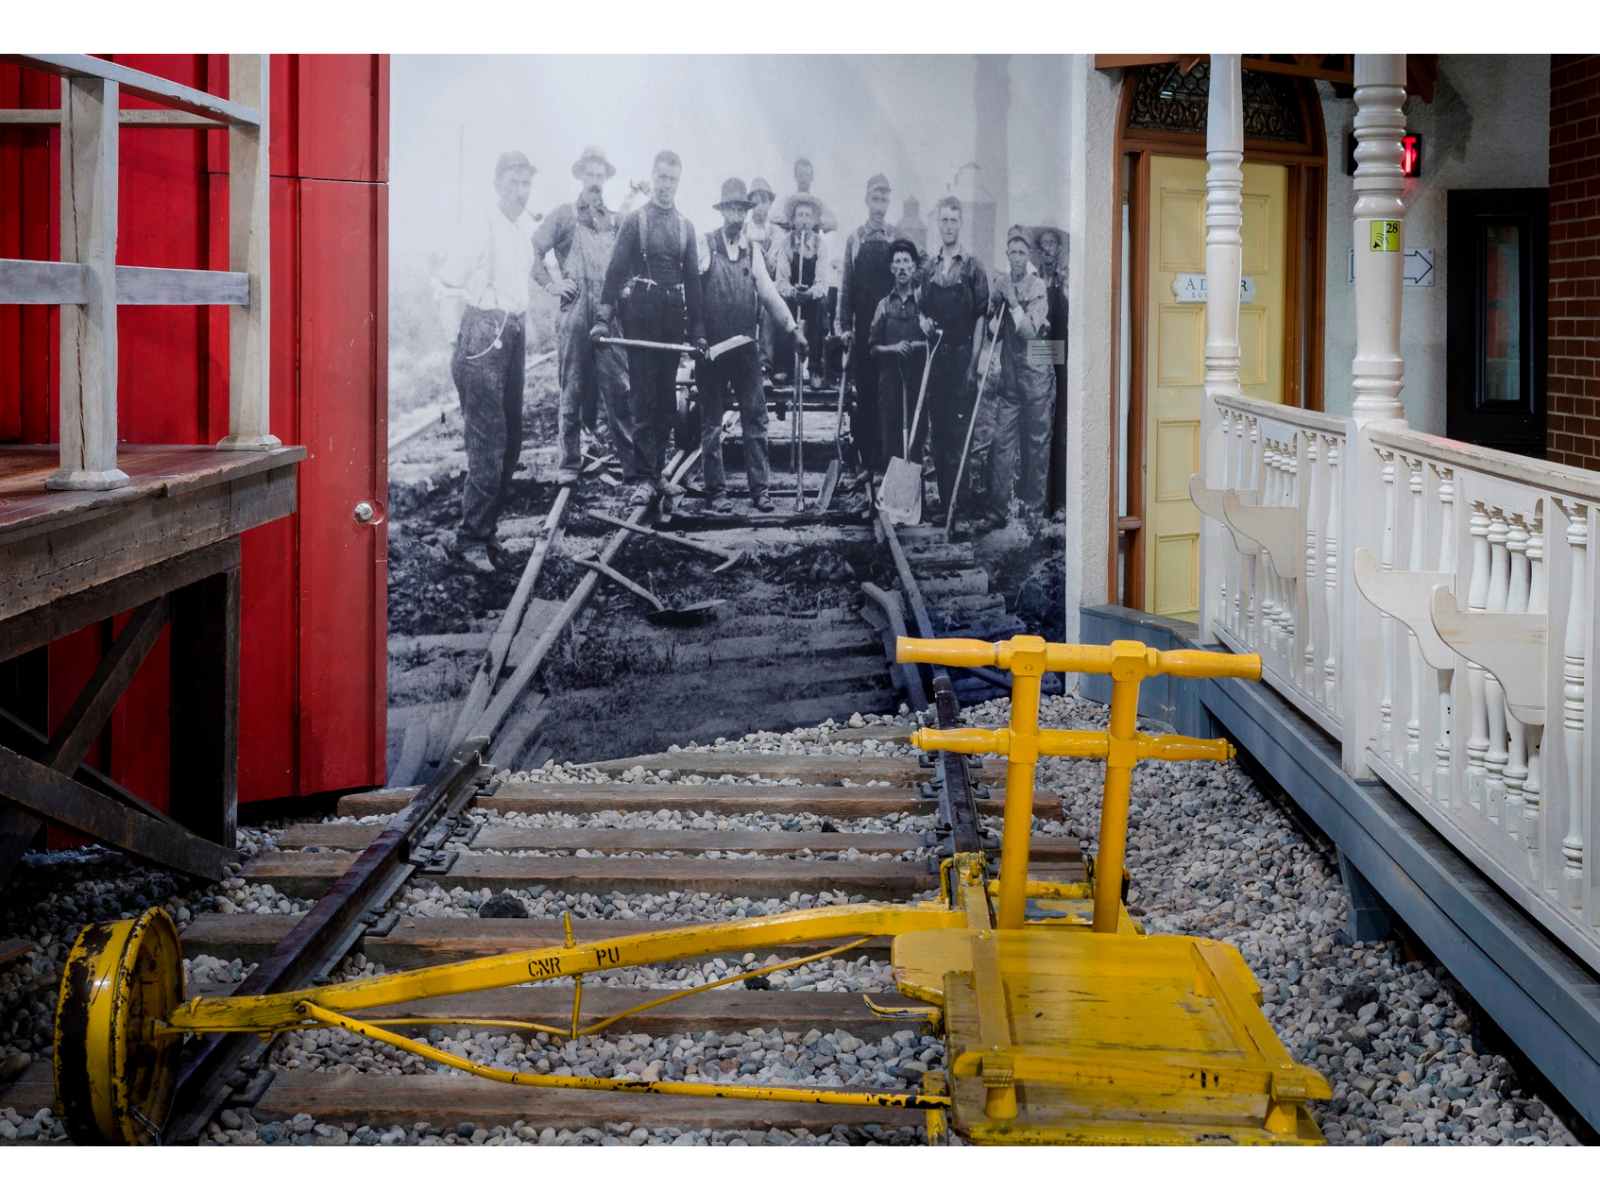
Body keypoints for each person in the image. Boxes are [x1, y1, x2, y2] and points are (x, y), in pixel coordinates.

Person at [435, 150, 538, 575]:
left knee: (511, 441)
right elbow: (446, 285)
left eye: (526, 183)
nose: (520, 190)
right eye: (513, 182)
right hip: (481, 334)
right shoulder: (480, 224)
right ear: (498, 184)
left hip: (513, 332)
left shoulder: (521, 233)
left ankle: (487, 530)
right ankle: (469, 540)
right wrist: (458, 340)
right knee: (488, 444)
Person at [594, 150, 706, 510]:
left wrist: (699, 332)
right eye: (661, 178)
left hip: (672, 317)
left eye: (672, 180)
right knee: (642, 396)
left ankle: (656, 472)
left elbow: (692, 281)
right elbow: (614, 272)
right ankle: (644, 478)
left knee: (666, 401)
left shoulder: (685, 227)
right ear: (652, 177)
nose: (665, 186)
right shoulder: (635, 222)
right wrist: (602, 317)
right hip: (641, 314)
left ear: (678, 181)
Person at [698, 178, 807, 514]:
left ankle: (760, 490)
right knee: (712, 422)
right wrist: (697, 335)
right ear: (722, 211)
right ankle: (716, 492)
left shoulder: (753, 251)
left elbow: (770, 295)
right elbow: (691, 294)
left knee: (756, 418)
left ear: (746, 213)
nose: (736, 216)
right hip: (712, 349)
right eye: (730, 209)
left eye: (741, 210)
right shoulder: (706, 246)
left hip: (745, 347)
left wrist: (792, 329)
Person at [532, 145, 631, 487]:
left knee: (619, 388)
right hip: (574, 312)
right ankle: (569, 463)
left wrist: (626, 287)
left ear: (606, 179)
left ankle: (631, 464)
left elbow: (626, 262)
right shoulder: (564, 215)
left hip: (607, 312)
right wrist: (552, 284)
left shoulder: (613, 220)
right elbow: (533, 250)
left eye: (600, 175)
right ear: (579, 176)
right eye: (589, 174)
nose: (595, 181)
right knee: (572, 388)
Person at [917, 196, 988, 522]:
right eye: (943, 220)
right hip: (936, 362)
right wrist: (924, 323)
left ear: (961, 225)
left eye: (953, 221)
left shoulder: (972, 267)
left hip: (962, 360)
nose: (948, 226)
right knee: (939, 435)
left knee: (960, 435)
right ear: (938, 224)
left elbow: (980, 319)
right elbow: (922, 311)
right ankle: (945, 506)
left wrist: (974, 364)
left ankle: (957, 511)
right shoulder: (929, 268)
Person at [979, 226, 1055, 530]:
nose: (1018, 258)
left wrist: (1010, 300)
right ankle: (998, 509)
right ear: (1007, 254)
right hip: (1010, 376)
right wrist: (994, 306)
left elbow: (1027, 332)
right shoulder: (1003, 283)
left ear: (1029, 256)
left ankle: (1033, 510)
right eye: (1013, 252)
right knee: (1001, 440)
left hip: (1037, 374)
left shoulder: (1038, 287)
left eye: (1023, 252)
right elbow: (990, 334)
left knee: (1036, 442)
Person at [837, 174, 900, 476]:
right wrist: (845, 326)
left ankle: (884, 461)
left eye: (884, 199)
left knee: (887, 395)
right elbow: (846, 285)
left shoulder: (895, 238)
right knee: (864, 393)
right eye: (875, 199)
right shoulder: (856, 238)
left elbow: (913, 271)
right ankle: (864, 457)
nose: (880, 205)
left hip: (890, 330)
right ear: (866, 201)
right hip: (863, 328)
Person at [867, 239, 934, 469]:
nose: (902, 267)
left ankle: (915, 500)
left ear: (914, 267)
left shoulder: (923, 305)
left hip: (917, 382)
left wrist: (918, 345)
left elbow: (933, 341)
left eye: (907, 261)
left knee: (917, 438)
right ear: (892, 269)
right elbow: (873, 347)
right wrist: (894, 348)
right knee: (891, 441)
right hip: (891, 383)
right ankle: (891, 500)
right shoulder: (884, 306)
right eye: (898, 262)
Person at [771, 194, 834, 387]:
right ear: (793, 220)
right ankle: (784, 368)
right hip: (791, 297)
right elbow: (781, 280)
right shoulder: (785, 243)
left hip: (811, 299)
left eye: (808, 216)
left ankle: (815, 369)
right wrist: (792, 292)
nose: (804, 221)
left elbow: (823, 283)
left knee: (821, 304)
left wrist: (809, 293)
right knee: (779, 306)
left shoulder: (820, 245)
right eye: (800, 216)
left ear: (814, 221)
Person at [1037, 227, 1070, 515]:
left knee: (1060, 428)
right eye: (1044, 244)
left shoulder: (1065, 280)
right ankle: (1037, 498)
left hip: (1062, 361)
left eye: (1052, 244)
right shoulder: (1034, 281)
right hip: (1037, 359)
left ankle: (1058, 499)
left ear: (1058, 250)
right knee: (1038, 427)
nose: (1048, 249)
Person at [742, 177, 781, 379]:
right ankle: (739, 366)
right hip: (746, 287)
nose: (760, 208)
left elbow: (774, 266)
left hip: (766, 288)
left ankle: (765, 365)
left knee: (769, 307)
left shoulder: (776, 233)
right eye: (755, 203)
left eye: (764, 202)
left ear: (769, 203)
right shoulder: (742, 229)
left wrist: (757, 250)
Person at [774, 157, 839, 234]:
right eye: (801, 175)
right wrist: (792, 221)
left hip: (812, 243)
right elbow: (773, 217)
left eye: (807, 175)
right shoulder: (789, 201)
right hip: (790, 243)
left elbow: (834, 223)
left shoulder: (816, 203)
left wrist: (814, 221)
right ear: (795, 176)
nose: (804, 178)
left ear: (812, 177)